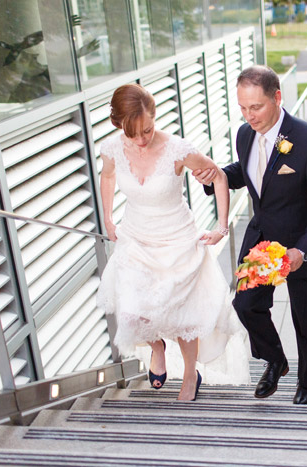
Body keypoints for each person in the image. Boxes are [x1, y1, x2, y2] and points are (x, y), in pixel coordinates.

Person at [194, 65, 307, 405]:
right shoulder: (246, 134)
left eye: (256, 107)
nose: (249, 116)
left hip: (305, 245)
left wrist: (301, 251)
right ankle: (275, 359)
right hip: (263, 239)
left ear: (277, 97)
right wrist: (217, 175)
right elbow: (252, 174)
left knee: (306, 319)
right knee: (246, 304)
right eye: (243, 108)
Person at [96, 83, 248, 400]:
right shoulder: (111, 149)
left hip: (176, 238)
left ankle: (190, 374)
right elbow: (108, 176)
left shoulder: (178, 149)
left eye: (147, 130)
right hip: (135, 236)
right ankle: (156, 347)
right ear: (119, 125)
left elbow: (219, 175)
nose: (141, 140)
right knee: (134, 309)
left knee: (182, 316)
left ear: (154, 117)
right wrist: (108, 218)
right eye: (133, 133)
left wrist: (221, 226)